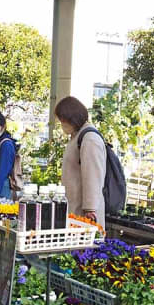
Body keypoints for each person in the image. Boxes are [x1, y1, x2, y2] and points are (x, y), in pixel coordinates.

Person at [55, 96, 106, 228]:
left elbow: (93, 176)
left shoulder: (89, 139)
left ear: (72, 118)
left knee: (84, 248)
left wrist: (90, 209)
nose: (61, 124)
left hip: (85, 214)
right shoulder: (78, 135)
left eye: (62, 120)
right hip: (75, 208)